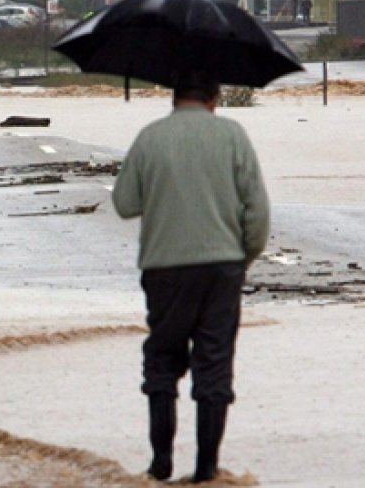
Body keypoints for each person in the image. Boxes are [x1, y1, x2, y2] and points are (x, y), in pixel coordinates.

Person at [111, 67, 270, 484]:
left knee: (162, 360)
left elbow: (125, 203)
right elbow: (257, 211)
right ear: (216, 98)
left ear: (173, 98)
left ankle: (160, 465)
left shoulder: (150, 137)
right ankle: (206, 470)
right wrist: (243, 257)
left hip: (164, 269)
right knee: (213, 364)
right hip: (222, 269)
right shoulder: (233, 136)